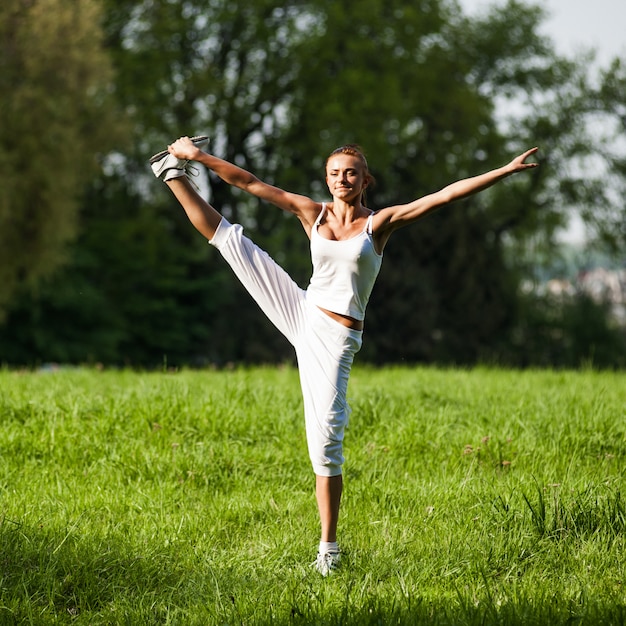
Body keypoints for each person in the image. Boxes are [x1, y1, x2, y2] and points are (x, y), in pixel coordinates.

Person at [150, 137, 538, 575]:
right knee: (235, 244)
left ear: (365, 180)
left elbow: (445, 195)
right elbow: (251, 184)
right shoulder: (312, 213)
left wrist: (505, 170)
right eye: (334, 172)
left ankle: (328, 548)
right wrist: (196, 157)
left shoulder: (380, 224)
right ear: (327, 178)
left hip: (336, 337)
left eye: (350, 172)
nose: (342, 179)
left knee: (326, 438)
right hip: (302, 309)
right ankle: (171, 175)